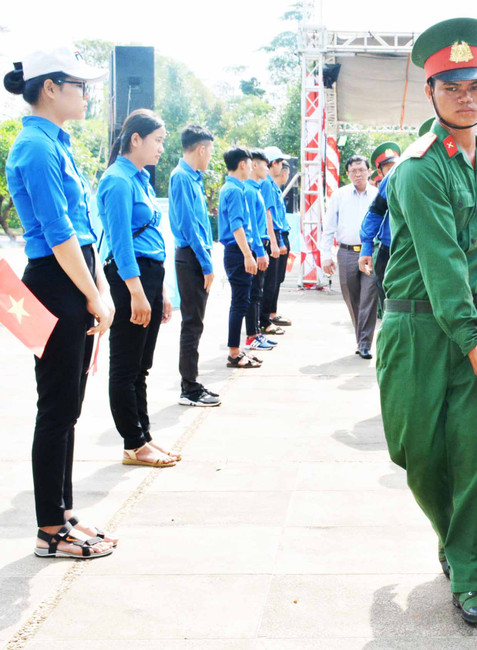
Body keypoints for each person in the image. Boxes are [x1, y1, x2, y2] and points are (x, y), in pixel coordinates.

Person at [379, 17, 477, 626]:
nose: (466, 98)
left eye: (475, 86)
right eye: (452, 87)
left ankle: (473, 573)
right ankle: (452, 534)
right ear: (430, 92)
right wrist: (467, 335)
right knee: (418, 453)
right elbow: (442, 262)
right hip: (416, 329)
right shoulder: (418, 167)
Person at [5, 46, 118, 558]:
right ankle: (50, 528)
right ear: (50, 88)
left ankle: (64, 513)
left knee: (68, 407)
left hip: (74, 279)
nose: (87, 95)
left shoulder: (56, 142)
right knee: (55, 408)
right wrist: (95, 295)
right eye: (80, 86)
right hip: (56, 283)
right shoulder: (35, 147)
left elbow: (82, 230)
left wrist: (99, 290)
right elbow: (58, 234)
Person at [98, 109, 179, 470]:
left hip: (149, 277)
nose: (161, 148)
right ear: (136, 139)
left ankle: (143, 436)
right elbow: (121, 242)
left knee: (141, 366)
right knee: (126, 365)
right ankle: (132, 443)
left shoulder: (140, 179)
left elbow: (150, 239)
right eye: (157, 140)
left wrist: (160, 291)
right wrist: (136, 291)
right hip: (131, 279)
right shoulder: (117, 181)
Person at [169, 125, 221, 407]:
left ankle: (192, 382)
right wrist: (205, 262)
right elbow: (189, 226)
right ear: (201, 149)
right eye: (210, 151)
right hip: (190, 256)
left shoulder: (193, 178)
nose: (210, 157)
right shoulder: (181, 177)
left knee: (195, 323)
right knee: (191, 323)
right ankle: (189, 388)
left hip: (195, 256)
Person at [321, 154, 379, 358]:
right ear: (347, 174)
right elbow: (329, 227)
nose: (358, 174)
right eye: (353, 171)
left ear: (369, 171)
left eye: (361, 170)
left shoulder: (377, 195)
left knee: (369, 298)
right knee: (352, 299)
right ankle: (360, 338)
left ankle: (365, 344)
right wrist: (326, 255)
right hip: (346, 252)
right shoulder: (339, 195)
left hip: (370, 252)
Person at [219, 146, 261, 369]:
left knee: (241, 301)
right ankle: (234, 353)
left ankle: (236, 349)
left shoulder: (232, 188)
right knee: (239, 302)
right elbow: (237, 225)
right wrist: (247, 255)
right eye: (250, 164)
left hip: (237, 251)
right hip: (237, 251)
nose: (252, 169)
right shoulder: (234, 190)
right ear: (242, 164)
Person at [358, 142, 402, 313]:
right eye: (388, 168)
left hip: (416, 250)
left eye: (395, 165)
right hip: (389, 249)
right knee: (388, 304)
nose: (393, 170)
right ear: (380, 172)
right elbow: (375, 212)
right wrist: (366, 247)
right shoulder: (390, 181)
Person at [243, 149, 274, 351]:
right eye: (265, 165)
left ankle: (256, 332)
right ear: (254, 165)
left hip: (260, 244)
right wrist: (259, 251)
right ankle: (252, 335)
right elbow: (252, 225)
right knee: (253, 293)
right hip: (256, 246)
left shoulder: (256, 189)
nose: (267, 169)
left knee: (257, 292)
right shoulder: (248, 190)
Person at [260, 145, 293, 329]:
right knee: (270, 281)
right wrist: (276, 241)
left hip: (279, 234)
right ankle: (264, 319)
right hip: (275, 236)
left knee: (276, 279)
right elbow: (269, 215)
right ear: (273, 163)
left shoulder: (272, 185)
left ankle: (270, 314)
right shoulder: (266, 184)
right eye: (280, 162)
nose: (281, 166)